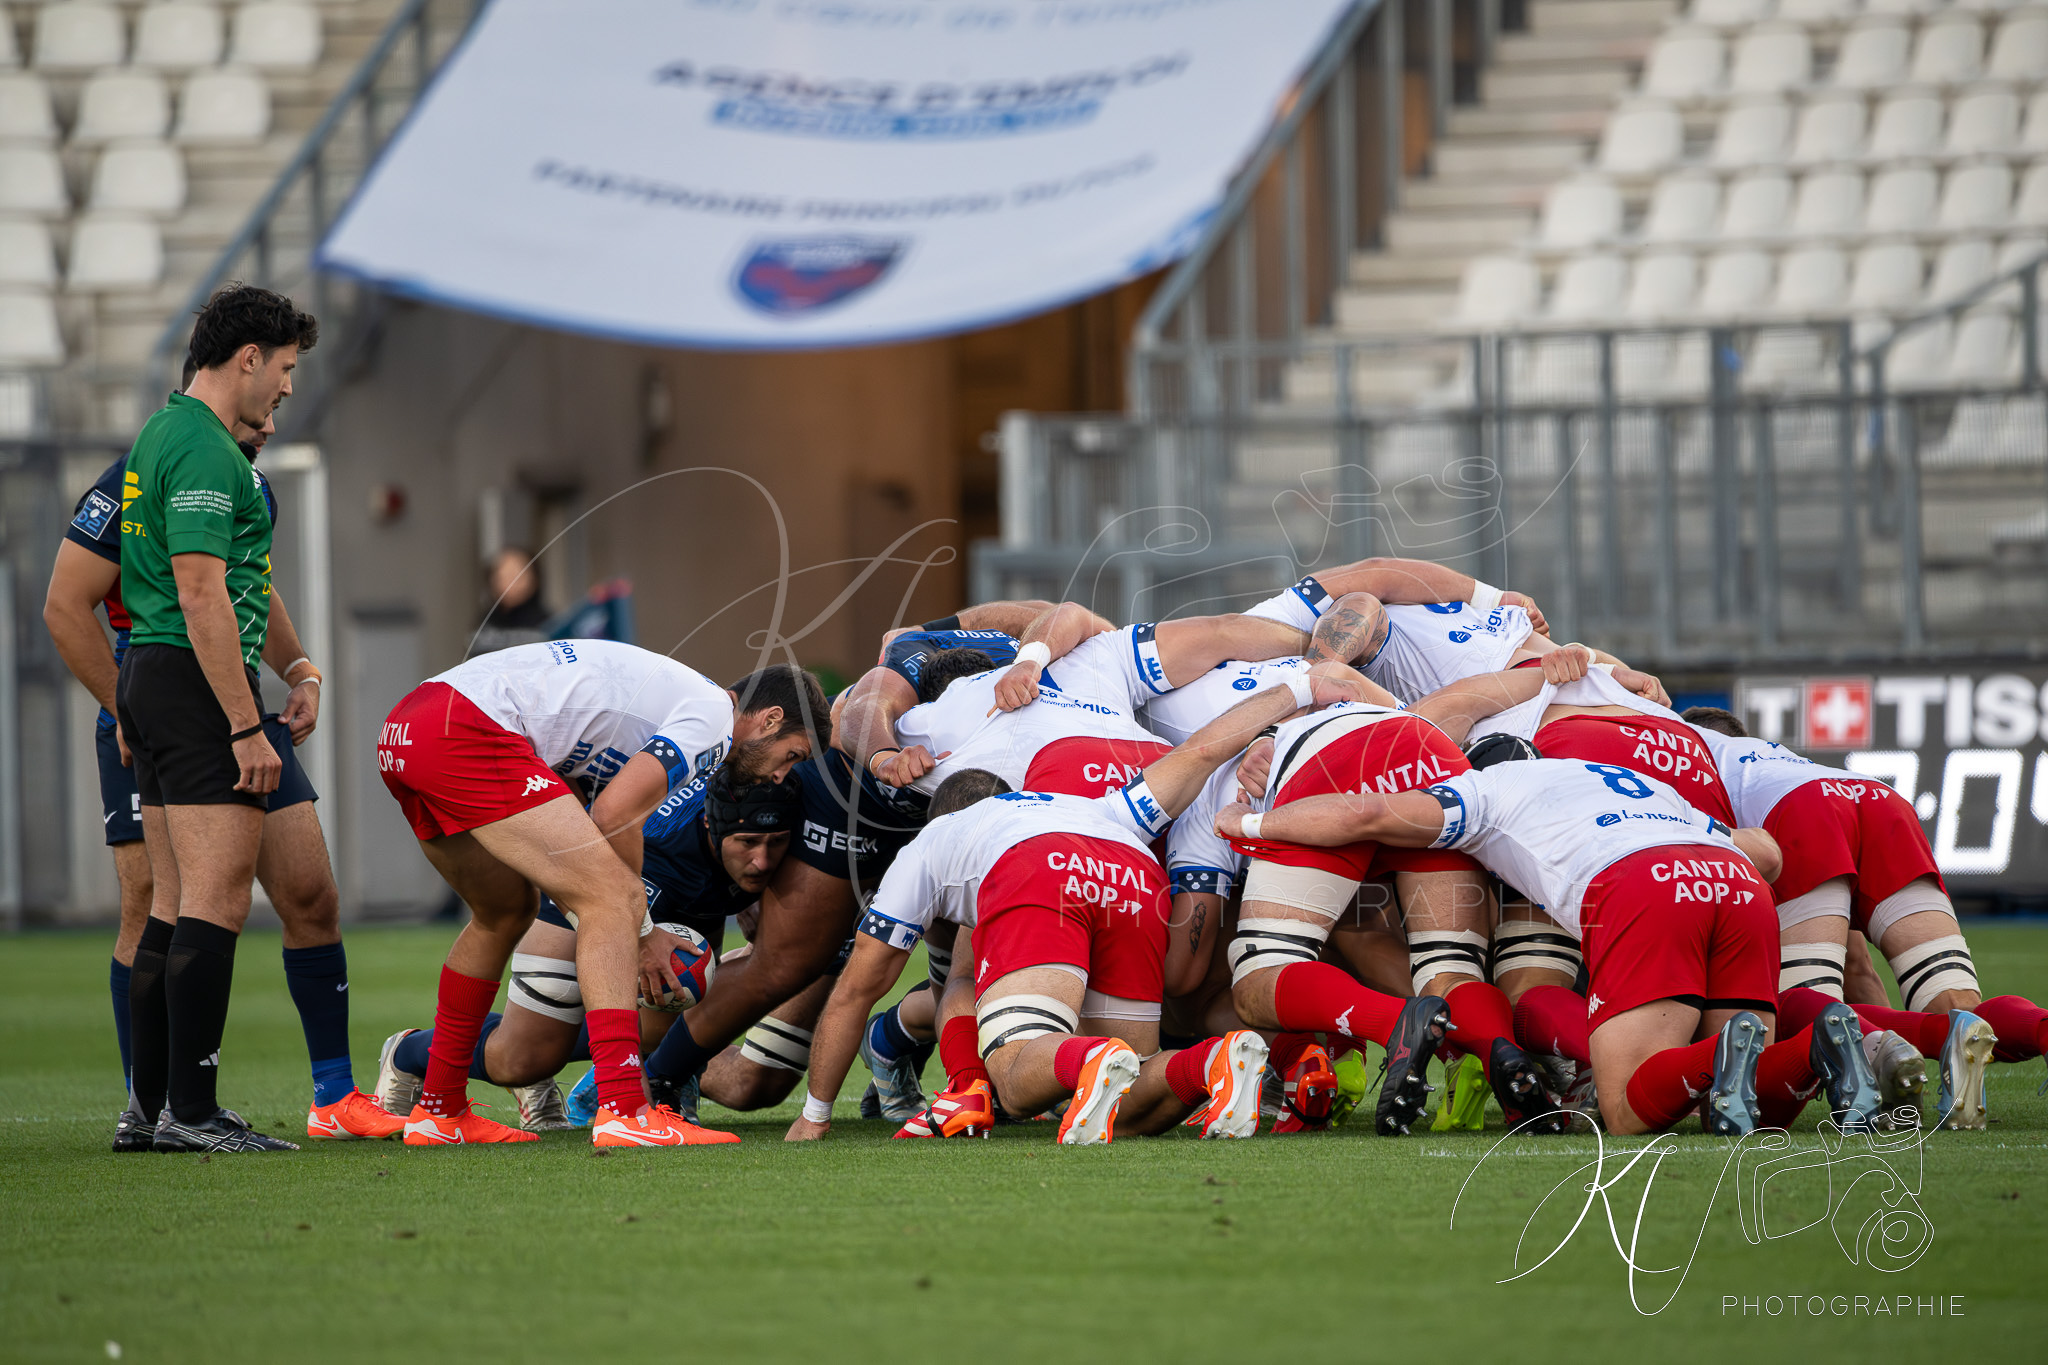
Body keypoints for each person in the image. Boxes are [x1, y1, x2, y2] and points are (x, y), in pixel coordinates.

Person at [788, 665, 1372, 1145]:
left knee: (1016, 1078)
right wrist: (1297, 688)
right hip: (1133, 872)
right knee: (1129, 1099)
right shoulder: (1095, 804)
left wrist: (813, 1116)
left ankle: (1078, 1060)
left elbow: (856, 989)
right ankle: (1212, 1063)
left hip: (1035, 871)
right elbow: (1199, 754)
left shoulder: (934, 840)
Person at [47, 395, 395, 1150]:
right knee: (159, 903)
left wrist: (297, 666)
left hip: (234, 701)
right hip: (165, 710)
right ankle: (156, 1103)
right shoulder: (136, 479)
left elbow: (243, 583)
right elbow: (65, 606)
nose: (273, 420)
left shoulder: (242, 479)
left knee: (309, 889)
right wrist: (125, 713)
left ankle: (333, 1095)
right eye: (271, 392)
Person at [1214, 746, 1886, 1137]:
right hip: (1735, 880)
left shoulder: (1485, 789)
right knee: (1734, 1104)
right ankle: (1815, 1043)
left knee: (1625, 1108)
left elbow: (1366, 812)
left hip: (1641, 885)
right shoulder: (1632, 780)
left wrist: (1250, 818)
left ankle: (1752, 1049)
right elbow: (1766, 856)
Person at [378, 640, 821, 1147]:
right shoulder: (714, 717)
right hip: (465, 727)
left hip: (411, 725)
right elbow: (613, 816)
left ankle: (439, 1110)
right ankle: (624, 1111)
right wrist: (640, 927)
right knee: (615, 898)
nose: (783, 773)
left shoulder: (668, 706)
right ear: (769, 719)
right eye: (792, 755)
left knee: (503, 913)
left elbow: (575, 795)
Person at [112, 285, 324, 1154]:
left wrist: (292, 666)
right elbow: (201, 591)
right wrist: (246, 724)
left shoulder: (161, 431)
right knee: (217, 897)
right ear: (247, 357)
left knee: (170, 900)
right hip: (194, 679)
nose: (284, 389)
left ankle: (155, 1108)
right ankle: (190, 1114)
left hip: (151, 674)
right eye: (282, 370)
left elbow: (213, 582)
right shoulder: (204, 449)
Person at [376, 765, 802, 1128]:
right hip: (597, 885)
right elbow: (616, 901)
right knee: (524, 1057)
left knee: (664, 1019)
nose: (763, 859)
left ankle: (637, 1082)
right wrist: (646, 936)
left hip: (681, 896)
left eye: (775, 844)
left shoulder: (766, 793)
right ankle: (410, 1050)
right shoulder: (669, 847)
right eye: (748, 844)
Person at [1684, 706, 2048, 1130]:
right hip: (1877, 800)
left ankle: (1919, 1039)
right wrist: (1893, 1059)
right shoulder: (1773, 758)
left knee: (1803, 1012)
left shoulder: (1692, 765)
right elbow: (1856, 965)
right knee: (1956, 1004)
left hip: (1802, 814)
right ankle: (2039, 1028)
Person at [468, 546, 550, 658]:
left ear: (534, 579)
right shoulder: (484, 623)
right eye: (501, 576)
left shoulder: (550, 624)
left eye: (516, 576)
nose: (509, 583)